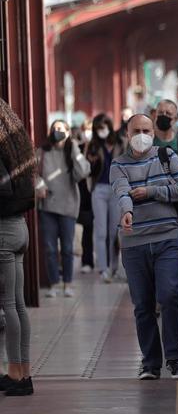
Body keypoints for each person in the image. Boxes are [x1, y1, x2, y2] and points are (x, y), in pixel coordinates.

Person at [111, 114, 178, 380]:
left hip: (168, 237)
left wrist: (151, 191)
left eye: (146, 130)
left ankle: (175, 358)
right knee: (143, 305)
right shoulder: (118, 164)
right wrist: (127, 211)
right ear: (127, 133)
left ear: (153, 131)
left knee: (170, 295)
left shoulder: (167, 156)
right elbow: (122, 191)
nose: (142, 134)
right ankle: (150, 362)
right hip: (134, 242)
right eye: (137, 130)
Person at [0, 100, 36, 396]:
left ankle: (15, 372)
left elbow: (2, 189)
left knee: (8, 305)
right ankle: (24, 371)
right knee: (18, 304)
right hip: (19, 227)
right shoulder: (16, 145)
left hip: (2, 231)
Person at [35, 119, 90, 298]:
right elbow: (33, 173)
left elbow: (83, 172)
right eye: (54, 128)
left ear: (67, 132)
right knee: (50, 248)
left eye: (60, 129)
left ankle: (67, 283)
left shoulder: (72, 150)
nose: (56, 131)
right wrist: (39, 185)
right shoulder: (42, 151)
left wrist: (73, 147)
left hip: (68, 205)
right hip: (47, 206)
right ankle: (53, 283)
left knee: (67, 247)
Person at [85, 114, 124, 282]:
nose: (101, 131)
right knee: (100, 231)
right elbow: (88, 168)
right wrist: (91, 161)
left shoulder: (121, 143)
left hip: (116, 189)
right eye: (98, 128)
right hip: (99, 189)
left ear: (109, 125)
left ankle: (114, 267)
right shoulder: (93, 145)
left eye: (103, 127)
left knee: (114, 231)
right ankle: (103, 268)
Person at [153, 98, 178, 164]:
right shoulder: (148, 142)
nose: (164, 115)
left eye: (168, 113)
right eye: (160, 112)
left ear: (175, 119)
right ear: (155, 115)